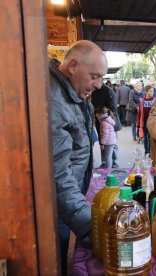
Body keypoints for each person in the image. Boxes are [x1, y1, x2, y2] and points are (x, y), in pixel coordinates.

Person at [48, 40, 108, 274]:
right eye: (94, 76)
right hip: (60, 209)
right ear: (73, 65)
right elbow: (59, 176)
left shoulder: (70, 92)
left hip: (66, 205)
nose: (98, 85)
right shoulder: (55, 101)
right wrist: (91, 227)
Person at [91, 84, 121, 168]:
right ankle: (105, 162)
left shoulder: (109, 91)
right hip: (100, 120)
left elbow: (113, 107)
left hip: (109, 120)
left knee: (112, 142)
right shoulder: (94, 92)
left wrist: (104, 115)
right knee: (103, 141)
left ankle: (114, 163)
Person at [137, 85, 155, 154]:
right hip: (144, 121)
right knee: (145, 137)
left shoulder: (155, 100)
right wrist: (138, 123)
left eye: (153, 91)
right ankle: (146, 151)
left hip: (152, 122)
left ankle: (151, 151)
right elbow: (140, 113)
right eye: (150, 91)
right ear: (146, 91)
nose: (152, 93)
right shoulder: (142, 101)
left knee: (151, 137)